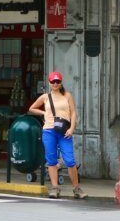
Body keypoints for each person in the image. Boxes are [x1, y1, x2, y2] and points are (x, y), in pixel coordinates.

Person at [28, 71, 87, 199]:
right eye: (53, 81)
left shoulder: (67, 95)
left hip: (64, 131)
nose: (55, 84)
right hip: (49, 130)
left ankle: (76, 188)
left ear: (61, 83)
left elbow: (73, 113)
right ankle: (55, 188)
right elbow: (31, 108)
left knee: (70, 161)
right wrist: (43, 113)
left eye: (57, 81)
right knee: (51, 160)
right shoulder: (45, 97)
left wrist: (72, 128)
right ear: (49, 83)